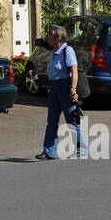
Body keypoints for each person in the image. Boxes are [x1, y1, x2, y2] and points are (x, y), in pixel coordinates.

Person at [36, 25, 87, 160]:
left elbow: (74, 71)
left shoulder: (67, 50)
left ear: (58, 38)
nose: (48, 37)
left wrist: (73, 89)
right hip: (54, 88)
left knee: (72, 120)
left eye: (50, 35)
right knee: (52, 120)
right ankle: (49, 151)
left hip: (65, 87)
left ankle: (81, 149)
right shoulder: (54, 50)